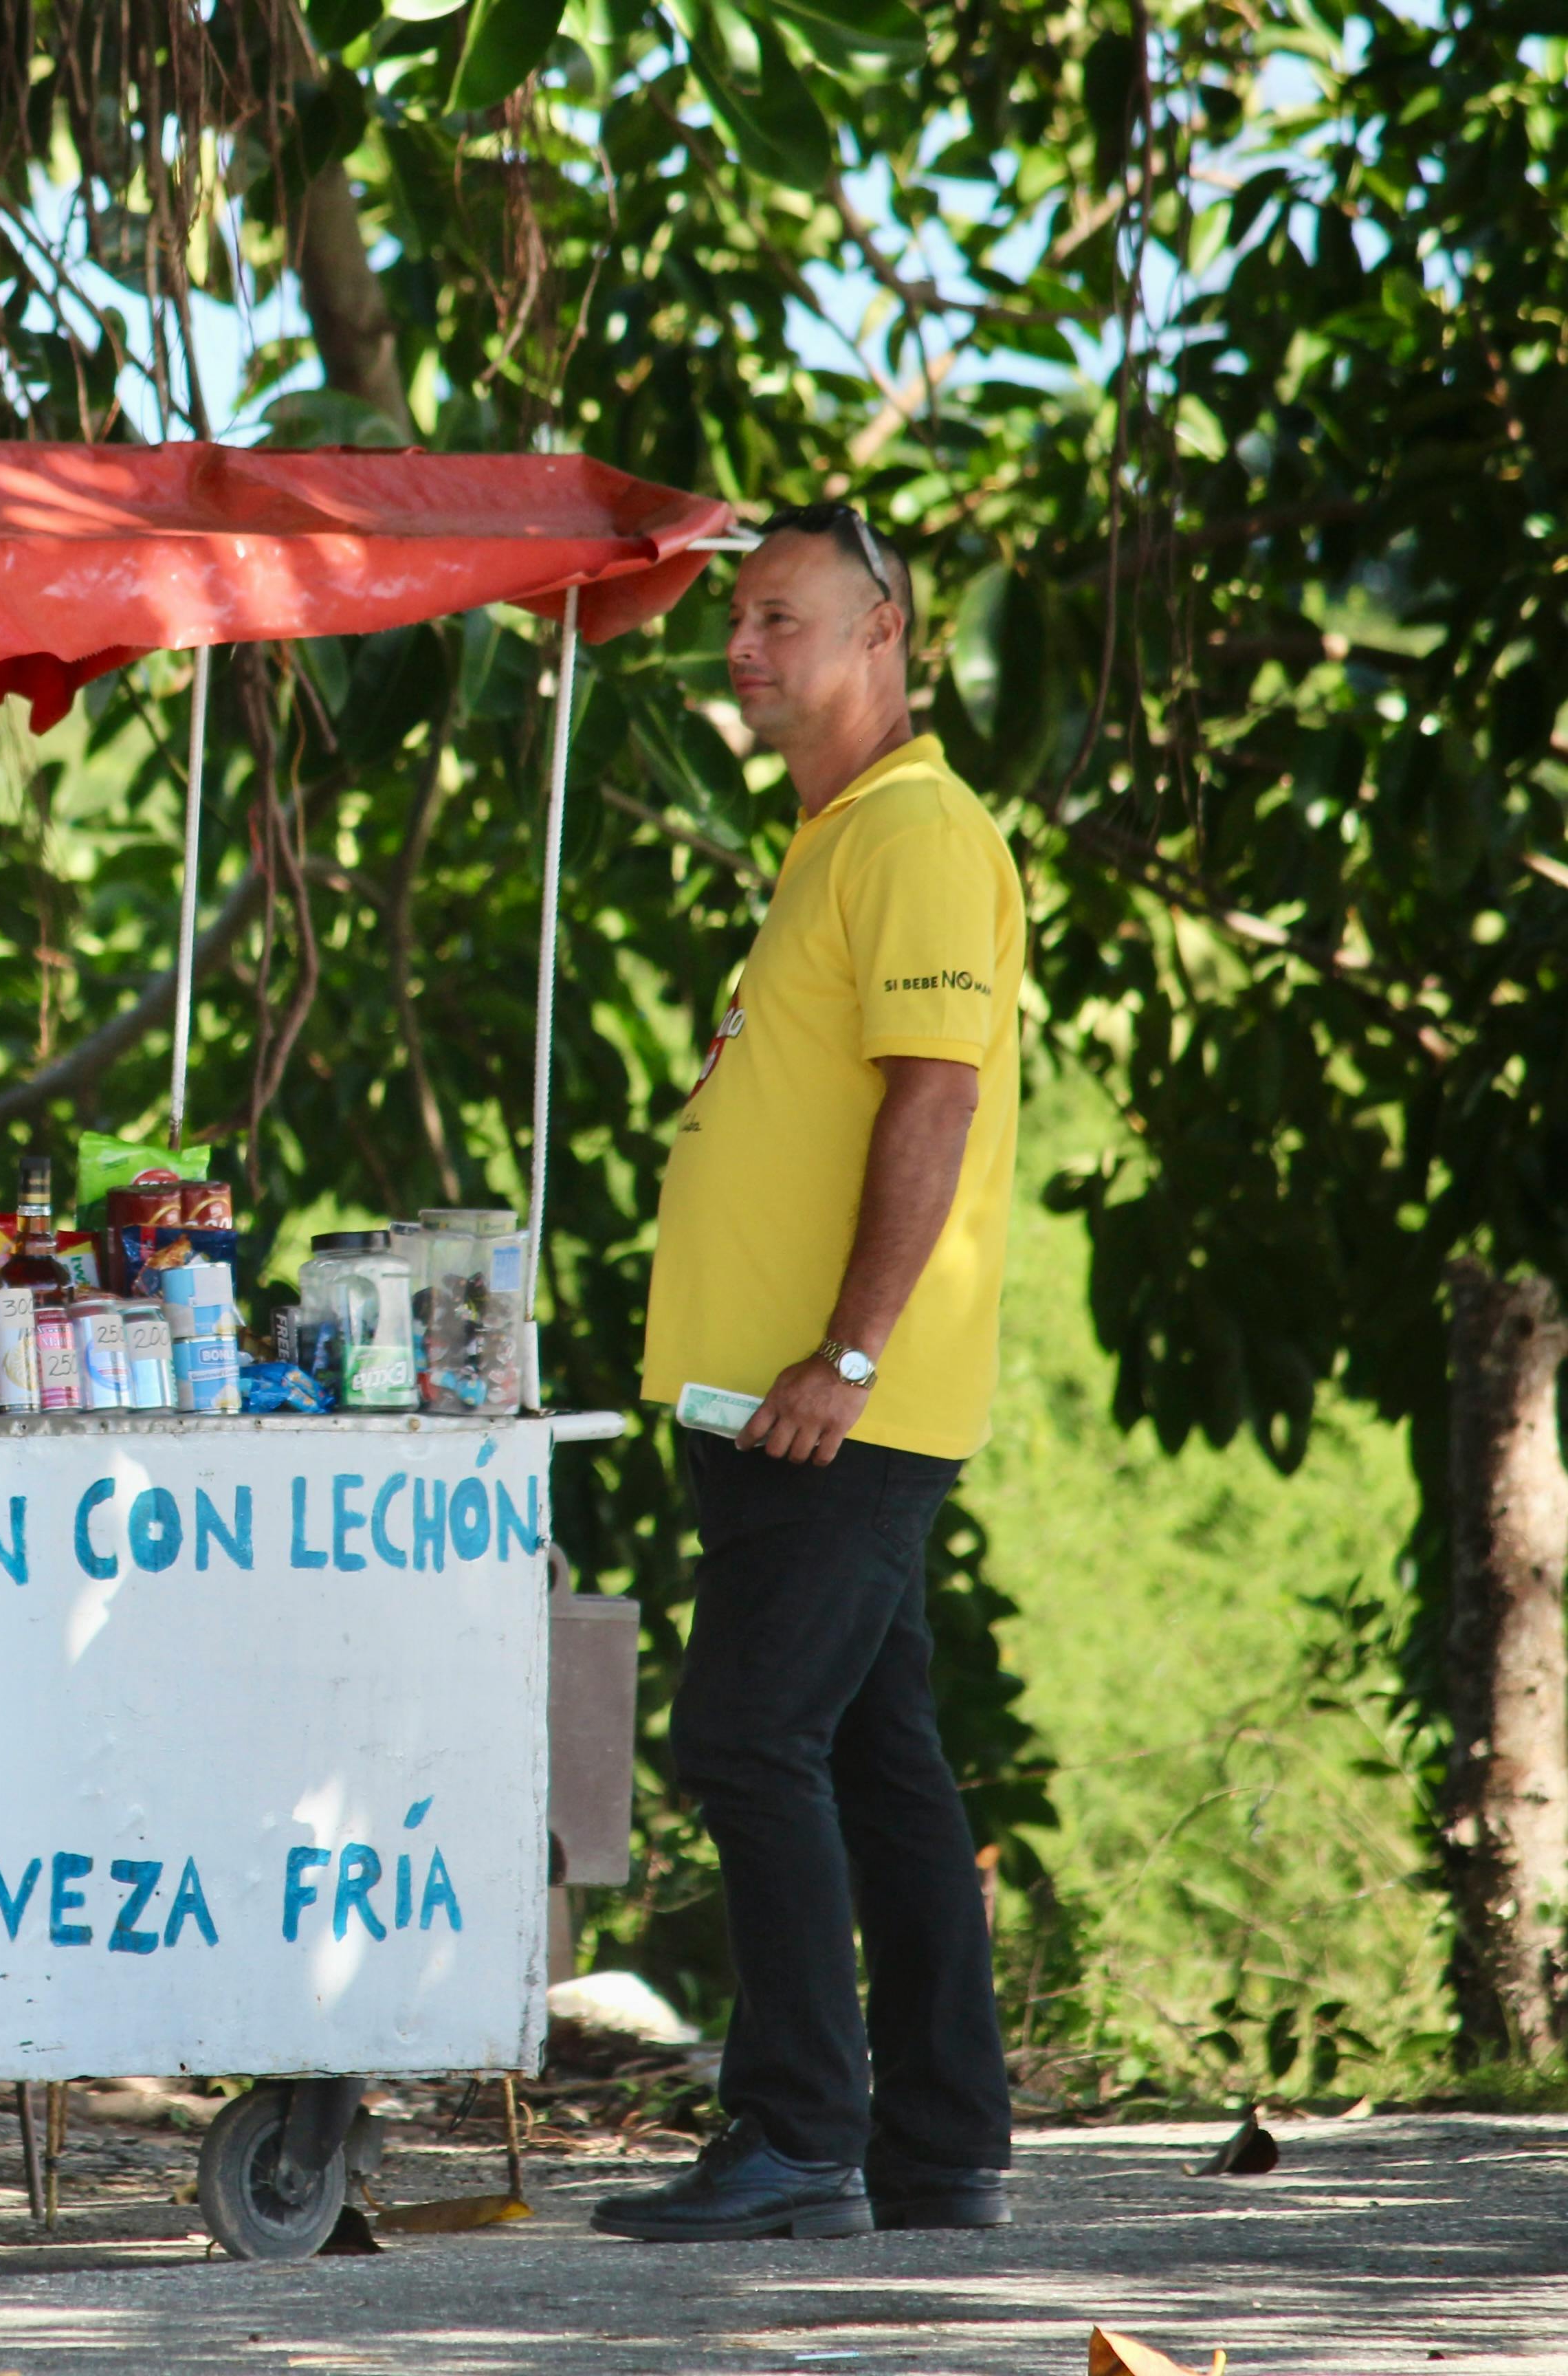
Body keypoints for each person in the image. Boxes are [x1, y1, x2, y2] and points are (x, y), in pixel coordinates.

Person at [593, 503, 1026, 2245]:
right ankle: (941, 2144)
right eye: (738, 622)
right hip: (783, 1405)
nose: (745, 649)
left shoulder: (917, 832)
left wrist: (847, 1353)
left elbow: (936, 1098)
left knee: (748, 1734)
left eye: (784, 619)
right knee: (875, 1760)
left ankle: (798, 2139)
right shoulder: (836, 838)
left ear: (886, 636)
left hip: (841, 1406)